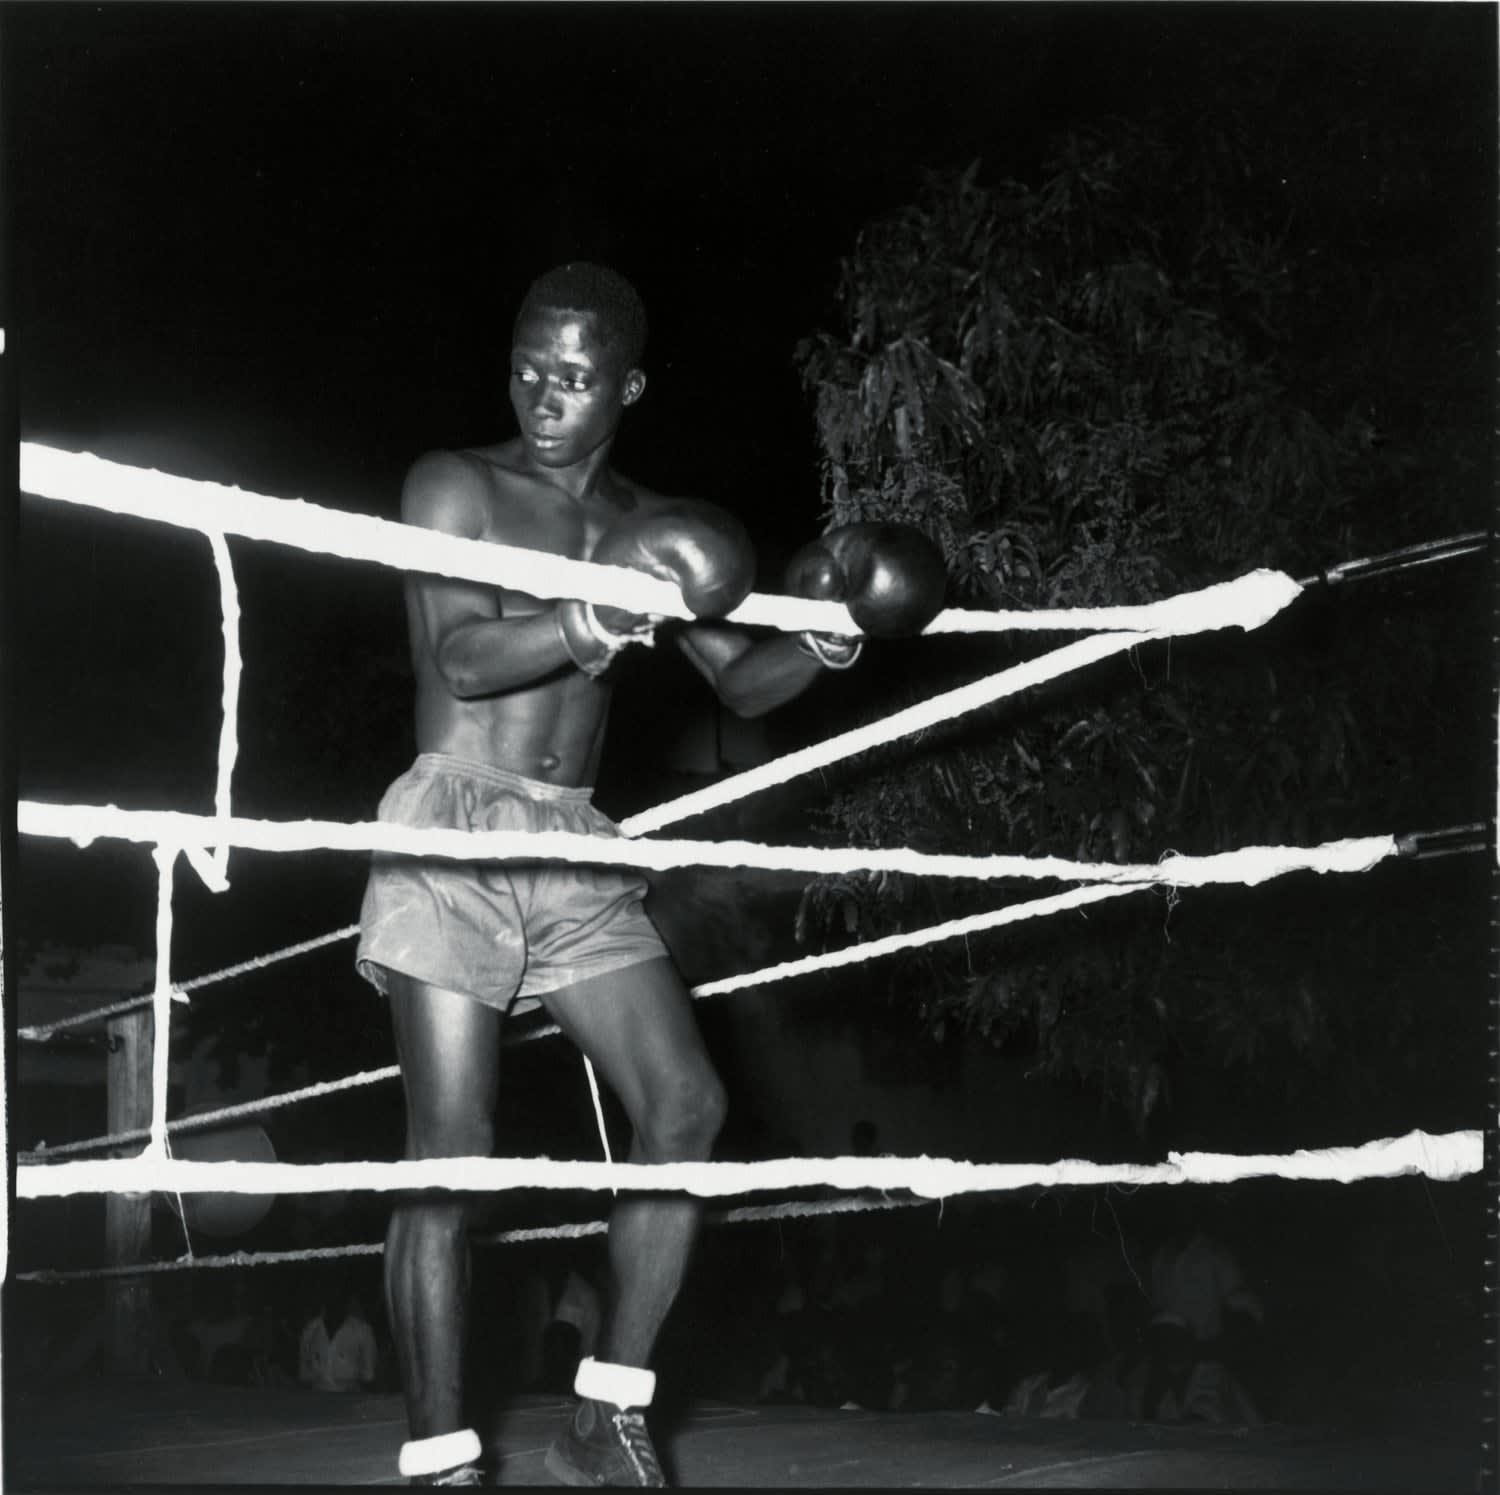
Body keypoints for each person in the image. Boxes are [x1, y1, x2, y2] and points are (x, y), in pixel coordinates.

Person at [355, 262, 945, 1488]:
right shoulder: (454, 482)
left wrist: (828, 636)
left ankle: (604, 1415)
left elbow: (745, 683)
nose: (542, 395)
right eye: (526, 367)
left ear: (626, 387)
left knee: (686, 1105)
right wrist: (599, 618)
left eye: (573, 377)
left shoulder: (651, 526)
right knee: (452, 1147)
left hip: (575, 843)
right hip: (457, 824)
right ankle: (440, 1457)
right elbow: (459, 658)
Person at [300, 1290, 379, 1393]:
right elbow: (304, 1373)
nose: (335, 1302)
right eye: (331, 1298)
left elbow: (369, 1376)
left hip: (350, 1394)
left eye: (339, 1298)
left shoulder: (362, 1331)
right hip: (317, 1393)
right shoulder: (311, 1330)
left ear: (347, 1303)